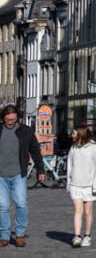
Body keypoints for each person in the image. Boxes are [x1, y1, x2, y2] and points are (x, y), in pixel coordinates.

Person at [0, 104, 45, 247]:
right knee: (3, 206)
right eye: (8, 119)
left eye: (13, 119)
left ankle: (19, 234)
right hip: (0, 176)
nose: (10, 122)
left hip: (19, 174)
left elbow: (35, 150)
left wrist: (40, 169)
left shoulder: (25, 131)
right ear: (3, 118)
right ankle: (4, 235)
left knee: (21, 203)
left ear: (17, 118)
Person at [66, 125, 96, 248]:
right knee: (77, 210)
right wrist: (68, 184)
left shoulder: (94, 148)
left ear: (81, 134)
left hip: (89, 186)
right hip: (75, 185)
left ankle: (87, 235)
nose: (72, 135)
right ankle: (77, 236)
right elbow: (69, 166)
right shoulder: (73, 148)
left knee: (87, 212)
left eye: (74, 133)